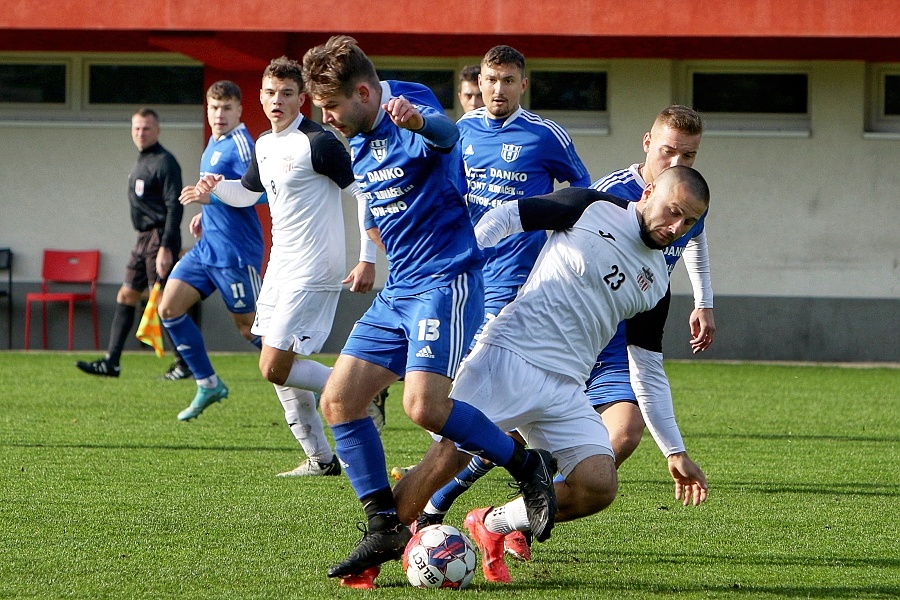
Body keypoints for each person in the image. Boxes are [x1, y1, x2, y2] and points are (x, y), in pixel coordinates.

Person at [301, 35, 558, 588]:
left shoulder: (407, 105)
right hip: (400, 289)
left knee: (424, 406)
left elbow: (447, 136)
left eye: (331, 107)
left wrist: (418, 122)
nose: (326, 119)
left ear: (363, 93)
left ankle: (526, 465)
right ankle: (383, 526)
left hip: (447, 282)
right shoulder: (356, 138)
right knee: (338, 401)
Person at [392, 166, 711, 584]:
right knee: (446, 458)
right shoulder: (591, 207)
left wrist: (674, 450)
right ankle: (379, 542)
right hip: (509, 357)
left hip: (565, 388)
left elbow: (648, 370)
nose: (676, 227)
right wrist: (460, 269)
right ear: (649, 191)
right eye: (673, 211)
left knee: (598, 485)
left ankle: (493, 523)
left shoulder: (656, 285)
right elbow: (506, 216)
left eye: (688, 222)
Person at [417, 44, 591, 530]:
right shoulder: (461, 131)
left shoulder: (544, 134)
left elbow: (582, 196)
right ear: (480, 83)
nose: (498, 90)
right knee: (469, 401)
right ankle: (518, 473)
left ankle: (438, 499)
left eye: (508, 81)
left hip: (518, 285)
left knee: (475, 398)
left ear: (522, 85)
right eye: (491, 80)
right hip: (465, 278)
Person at [180, 56, 378, 477]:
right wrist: (213, 190)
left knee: (272, 364)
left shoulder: (319, 142)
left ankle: (361, 388)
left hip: (314, 268)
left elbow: (364, 195)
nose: (277, 100)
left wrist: (367, 258)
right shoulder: (265, 144)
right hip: (279, 268)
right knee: (281, 370)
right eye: (270, 92)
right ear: (261, 96)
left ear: (301, 99)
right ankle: (320, 459)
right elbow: (248, 193)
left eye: (287, 93)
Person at [585, 104, 715, 470]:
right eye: (668, 151)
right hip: (578, 329)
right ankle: (442, 496)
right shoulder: (610, 193)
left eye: (688, 155)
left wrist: (703, 301)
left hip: (628, 336)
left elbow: (696, 239)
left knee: (626, 433)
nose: (677, 163)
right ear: (647, 143)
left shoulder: (691, 196)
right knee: (510, 435)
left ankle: (547, 494)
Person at [156, 81, 265, 421]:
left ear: (239, 111)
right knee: (169, 308)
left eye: (227, 108)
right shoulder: (214, 143)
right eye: (214, 108)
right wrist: (207, 214)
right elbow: (221, 189)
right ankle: (208, 384)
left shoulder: (243, 146)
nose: (219, 114)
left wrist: (211, 199)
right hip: (207, 249)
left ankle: (312, 379)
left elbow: (262, 192)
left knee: (251, 329)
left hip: (236, 253)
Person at [76, 108, 186, 379]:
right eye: (136, 128)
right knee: (126, 295)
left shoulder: (165, 162)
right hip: (142, 239)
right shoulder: (142, 160)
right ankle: (112, 362)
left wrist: (166, 247)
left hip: (159, 238)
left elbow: (175, 207)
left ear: (157, 130)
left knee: (163, 302)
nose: (141, 133)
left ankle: (184, 363)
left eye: (146, 128)